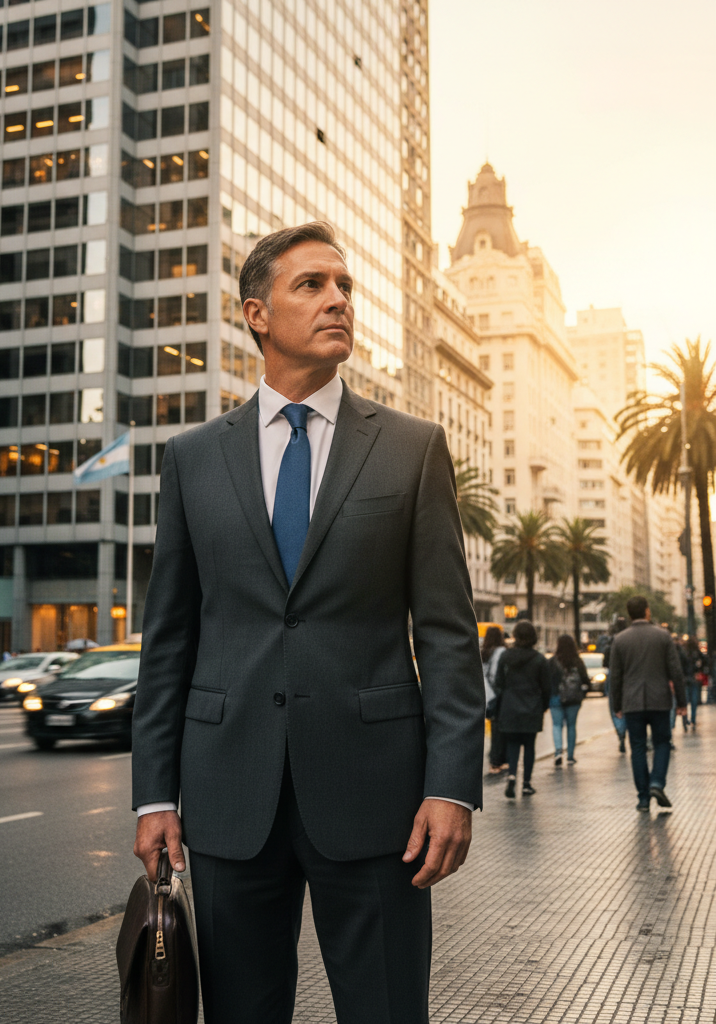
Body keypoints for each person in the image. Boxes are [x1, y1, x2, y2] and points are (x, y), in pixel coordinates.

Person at [131, 222, 485, 1024]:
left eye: (345, 286)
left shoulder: (411, 449)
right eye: (313, 286)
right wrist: (153, 795)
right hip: (228, 798)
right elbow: (169, 639)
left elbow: (447, 634)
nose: (338, 301)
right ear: (257, 314)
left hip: (377, 799)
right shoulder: (193, 458)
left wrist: (452, 786)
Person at [608, 596, 687, 811]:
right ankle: (657, 782)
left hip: (632, 702)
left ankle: (643, 798)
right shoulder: (663, 637)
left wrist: (617, 705)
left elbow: (615, 676)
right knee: (662, 743)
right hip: (660, 699)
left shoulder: (620, 640)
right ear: (647, 611)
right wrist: (681, 701)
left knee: (638, 747)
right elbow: (676, 672)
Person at [495, 620, 550, 798]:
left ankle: (511, 777)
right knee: (529, 745)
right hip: (532, 707)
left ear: (515, 636)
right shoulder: (540, 659)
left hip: (509, 706)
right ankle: (526, 783)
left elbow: (498, 683)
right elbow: (546, 687)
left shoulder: (505, 657)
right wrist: (543, 706)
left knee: (512, 744)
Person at [548, 634, 589, 766]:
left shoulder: (553, 661)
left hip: (555, 697)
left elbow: (546, 680)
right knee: (571, 726)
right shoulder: (577, 661)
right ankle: (570, 756)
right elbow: (585, 679)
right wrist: (583, 694)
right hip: (573, 698)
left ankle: (558, 751)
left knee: (556, 725)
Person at [482, 626, 507, 773]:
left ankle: (494, 760)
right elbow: (498, 674)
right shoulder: (500, 652)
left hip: (486, 693)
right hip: (497, 693)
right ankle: (497, 760)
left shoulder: (483, 652)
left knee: (493, 725)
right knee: (499, 728)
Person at [604, 616, 628, 752]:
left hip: (613, 675)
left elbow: (605, 661)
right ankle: (627, 729)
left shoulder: (611, 642)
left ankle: (620, 732)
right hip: (628, 675)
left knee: (614, 706)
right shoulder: (630, 640)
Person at [681, 635, 703, 731]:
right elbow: (705, 660)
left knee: (685, 701)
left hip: (685, 679)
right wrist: (698, 671)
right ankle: (693, 719)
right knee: (694, 700)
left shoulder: (683, 652)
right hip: (693, 678)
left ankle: (685, 720)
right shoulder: (696, 653)